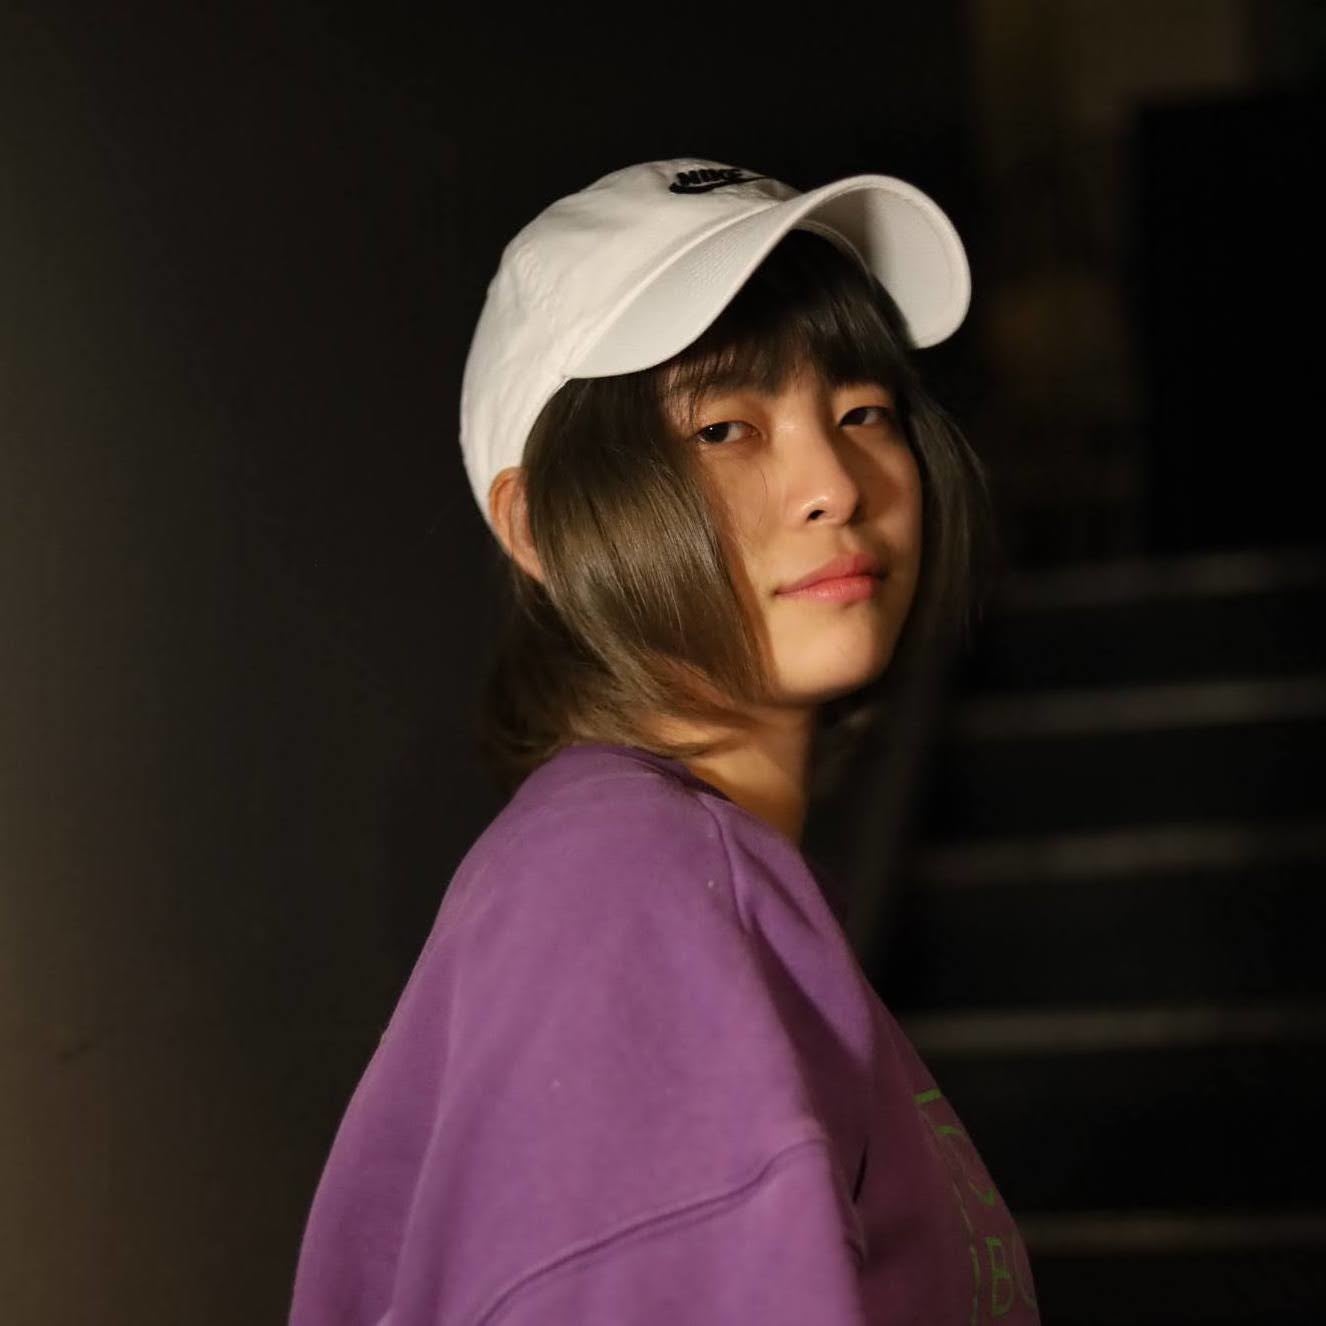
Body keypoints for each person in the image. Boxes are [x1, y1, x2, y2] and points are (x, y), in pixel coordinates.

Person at [288, 158, 1040, 1325]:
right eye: (727, 427)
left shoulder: (671, 868)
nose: (835, 486)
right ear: (542, 523)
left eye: (863, 413)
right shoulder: (623, 884)